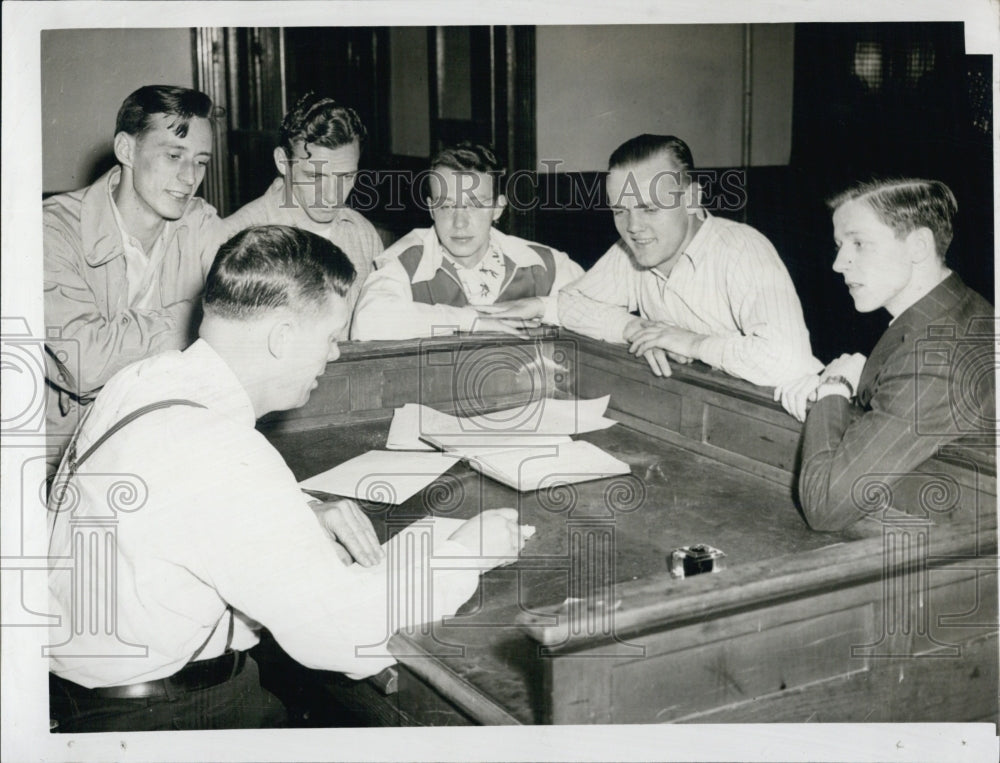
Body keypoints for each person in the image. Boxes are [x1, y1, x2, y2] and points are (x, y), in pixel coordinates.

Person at [46, 225, 526, 732]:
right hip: (162, 715)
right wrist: (467, 551)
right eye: (331, 336)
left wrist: (301, 509)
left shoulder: (145, 379)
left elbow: (184, 500)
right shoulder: (222, 448)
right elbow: (342, 634)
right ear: (282, 337)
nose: (335, 353)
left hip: (84, 690)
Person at [774, 179, 995, 531]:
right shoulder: (951, 310)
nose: (838, 263)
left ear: (918, 245)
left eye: (859, 243)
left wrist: (833, 386)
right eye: (839, 245)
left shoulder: (935, 359)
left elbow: (824, 506)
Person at [43, 84, 227, 475]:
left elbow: (246, 314)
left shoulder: (200, 223)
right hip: (62, 461)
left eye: (201, 161)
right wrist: (197, 318)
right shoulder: (51, 231)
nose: (189, 176)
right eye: (173, 155)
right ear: (126, 150)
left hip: (163, 444)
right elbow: (84, 363)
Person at [557, 134, 821, 387]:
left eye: (650, 208)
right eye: (619, 210)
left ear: (692, 199)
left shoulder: (742, 250)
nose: (633, 227)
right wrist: (635, 328)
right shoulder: (634, 247)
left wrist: (691, 343)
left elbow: (789, 360)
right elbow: (567, 303)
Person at [351, 142, 584, 340]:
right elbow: (366, 323)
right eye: (447, 205)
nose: (459, 223)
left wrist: (542, 306)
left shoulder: (542, 263)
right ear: (432, 209)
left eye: (474, 205)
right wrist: (469, 319)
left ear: (497, 208)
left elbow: (605, 309)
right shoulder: (405, 261)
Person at [223, 92, 383, 334]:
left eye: (346, 177)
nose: (332, 196)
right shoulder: (236, 237)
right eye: (315, 176)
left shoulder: (363, 235)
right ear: (282, 162)